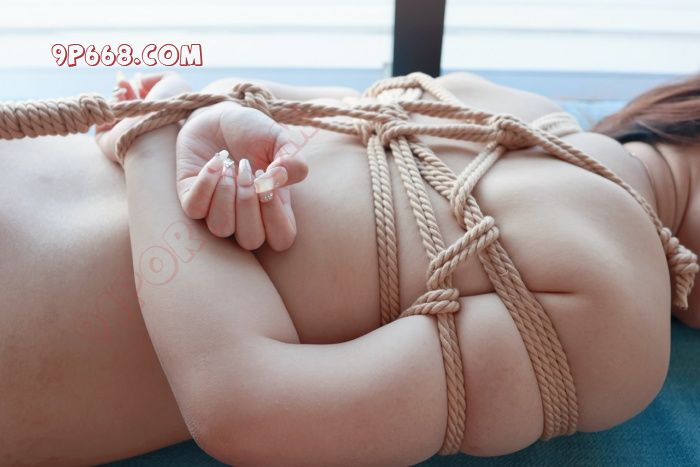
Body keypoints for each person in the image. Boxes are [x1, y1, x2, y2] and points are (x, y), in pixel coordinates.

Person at [0, 70, 696, 466]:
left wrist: (154, 139)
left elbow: (253, 408)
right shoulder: (510, 109)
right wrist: (183, 128)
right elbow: (240, 112)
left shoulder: (618, 322)